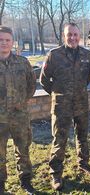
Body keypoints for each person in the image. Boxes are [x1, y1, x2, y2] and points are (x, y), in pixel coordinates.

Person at [39, 23, 90, 190]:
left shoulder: (86, 54)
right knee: (60, 140)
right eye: (69, 34)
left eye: (76, 35)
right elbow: (44, 80)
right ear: (64, 36)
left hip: (81, 103)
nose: (73, 38)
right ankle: (56, 173)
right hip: (61, 106)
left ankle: (83, 162)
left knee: (82, 136)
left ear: (80, 36)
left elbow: (88, 77)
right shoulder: (54, 55)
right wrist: (58, 94)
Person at [0, 26, 36, 194]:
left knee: (23, 149)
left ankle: (26, 180)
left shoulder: (22, 62)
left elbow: (32, 84)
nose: (4, 43)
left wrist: (24, 101)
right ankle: (1, 184)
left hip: (19, 116)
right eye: (1, 40)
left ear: (12, 42)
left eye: (7, 40)